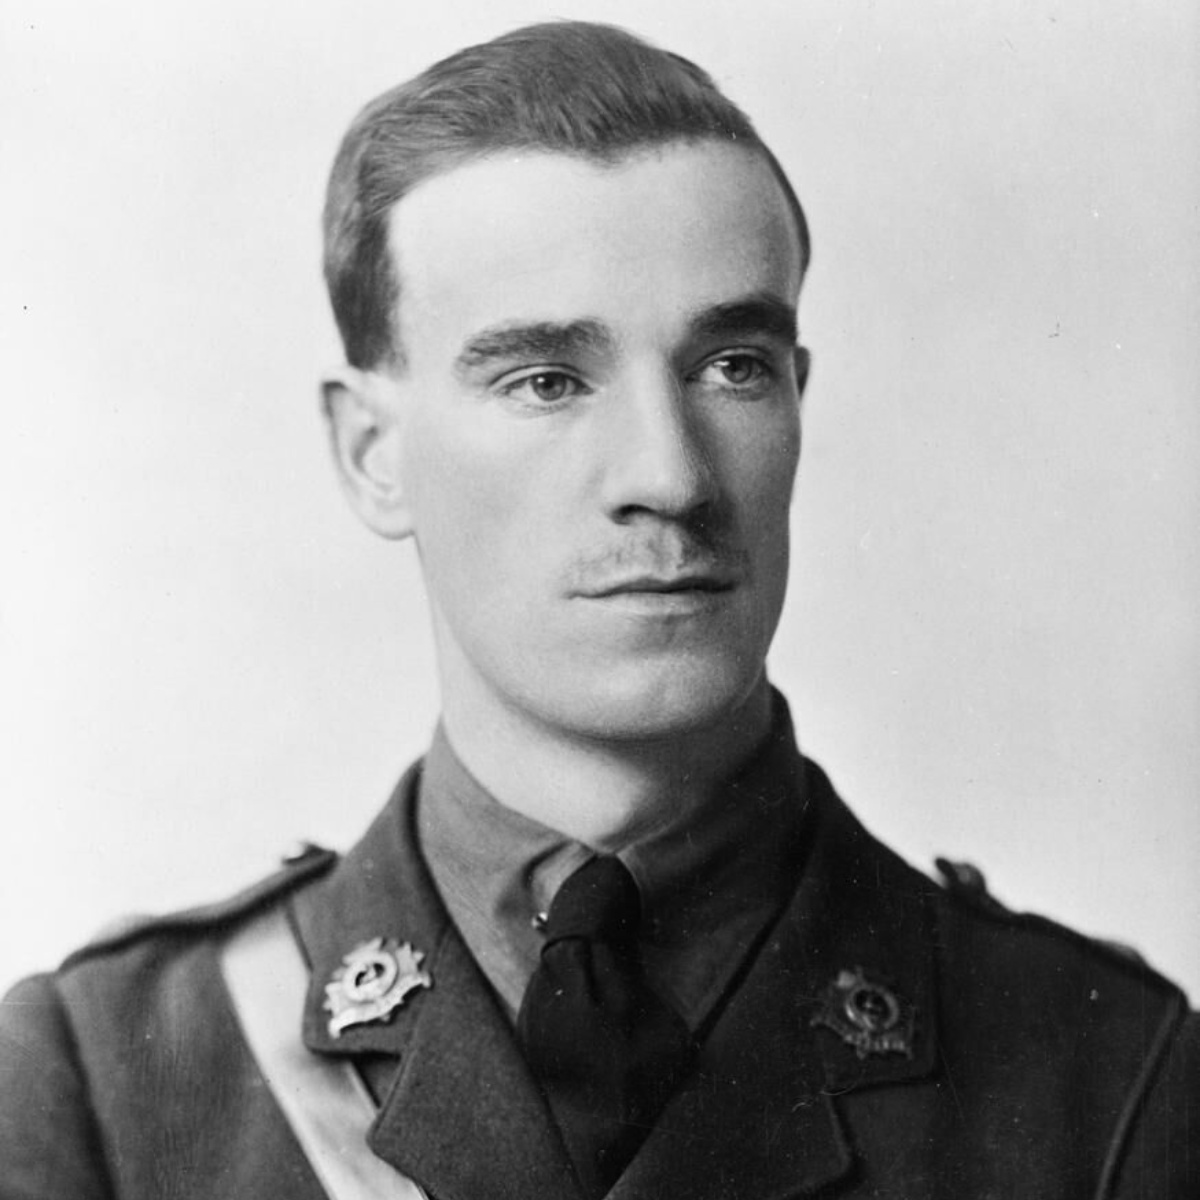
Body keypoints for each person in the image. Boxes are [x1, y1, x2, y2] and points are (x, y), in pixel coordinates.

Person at [0, 20, 1195, 1200]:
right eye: (547, 382)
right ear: (371, 453)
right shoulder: (97, 1080)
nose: (669, 476)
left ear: (797, 400)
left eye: (733, 368)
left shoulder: (1109, 1081)